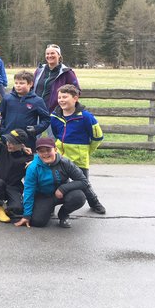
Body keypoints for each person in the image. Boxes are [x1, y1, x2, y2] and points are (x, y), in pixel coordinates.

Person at [51, 84, 106, 214]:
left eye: (65, 97)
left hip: (79, 158)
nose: (61, 100)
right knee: (55, 181)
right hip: (61, 157)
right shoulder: (54, 116)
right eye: (59, 97)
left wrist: (86, 151)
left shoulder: (86, 117)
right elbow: (56, 134)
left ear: (75, 98)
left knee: (83, 183)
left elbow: (98, 137)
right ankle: (50, 205)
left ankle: (94, 203)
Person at [15, 137, 89, 229]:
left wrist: (63, 188)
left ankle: (63, 214)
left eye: (48, 150)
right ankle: (48, 209)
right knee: (38, 222)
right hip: (43, 196)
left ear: (55, 149)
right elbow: (29, 191)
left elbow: (83, 181)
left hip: (62, 194)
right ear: (37, 153)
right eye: (41, 151)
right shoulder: (33, 167)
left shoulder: (65, 162)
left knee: (79, 197)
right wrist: (27, 215)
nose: (45, 153)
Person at [0, 113, 33, 222]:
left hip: (13, 187)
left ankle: (8, 207)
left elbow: (42, 161)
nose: (9, 144)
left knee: (17, 209)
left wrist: (34, 162)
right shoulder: (2, 150)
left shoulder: (27, 157)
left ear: (22, 145)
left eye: (12, 143)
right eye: (8, 141)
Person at [0, 70, 50, 150]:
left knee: (25, 161)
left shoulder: (37, 101)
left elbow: (46, 119)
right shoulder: (7, 98)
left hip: (27, 141)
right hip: (7, 139)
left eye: (21, 83)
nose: (18, 86)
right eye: (16, 83)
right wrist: (0, 129)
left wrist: (36, 129)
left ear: (30, 84)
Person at [33, 44, 80, 112]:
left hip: (55, 112)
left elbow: (76, 91)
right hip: (36, 111)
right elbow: (30, 86)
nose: (49, 56)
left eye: (52, 53)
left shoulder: (66, 72)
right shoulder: (39, 70)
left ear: (59, 55)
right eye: (47, 54)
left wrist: (64, 107)